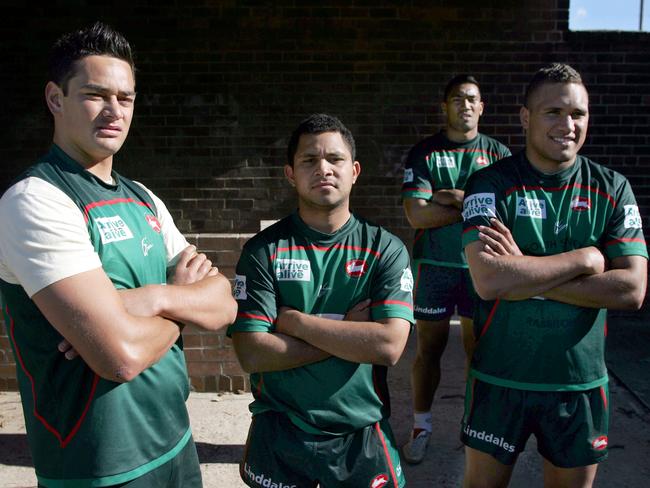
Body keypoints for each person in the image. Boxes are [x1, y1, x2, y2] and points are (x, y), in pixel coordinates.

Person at [0, 22, 237, 487]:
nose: (114, 111)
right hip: (97, 465)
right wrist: (180, 301)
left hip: (175, 439)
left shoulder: (144, 198)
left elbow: (224, 302)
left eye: (125, 98)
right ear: (55, 98)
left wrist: (149, 299)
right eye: (95, 94)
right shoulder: (36, 199)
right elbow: (121, 356)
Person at [460, 63, 647, 487]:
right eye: (553, 112)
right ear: (525, 117)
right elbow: (489, 281)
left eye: (578, 114)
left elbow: (632, 289)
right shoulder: (489, 184)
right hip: (500, 377)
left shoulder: (612, 187)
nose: (568, 125)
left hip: (578, 385)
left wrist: (524, 272)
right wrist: (583, 259)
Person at [228, 113, 414, 488]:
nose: (323, 169)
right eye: (309, 161)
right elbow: (252, 353)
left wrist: (296, 323)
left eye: (335, 159)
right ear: (290, 174)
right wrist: (349, 335)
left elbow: (389, 346)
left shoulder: (386, 249)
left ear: (355, 170)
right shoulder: (263, 252)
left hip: (360, 432)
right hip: (281, 429)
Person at [401, 74, 510, 464]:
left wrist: (449, 197)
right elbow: (417, 214)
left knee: (479, 351)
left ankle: (475, 430)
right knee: (428, 349)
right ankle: (421, 426)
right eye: (457, 99)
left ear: (482, 107)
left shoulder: (499, 154)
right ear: (444, 107)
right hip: (435, 267)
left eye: (472, 99)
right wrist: (471, 205)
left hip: (482, 267)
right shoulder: (425, 153)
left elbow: (503, 217)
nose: (465, 105)